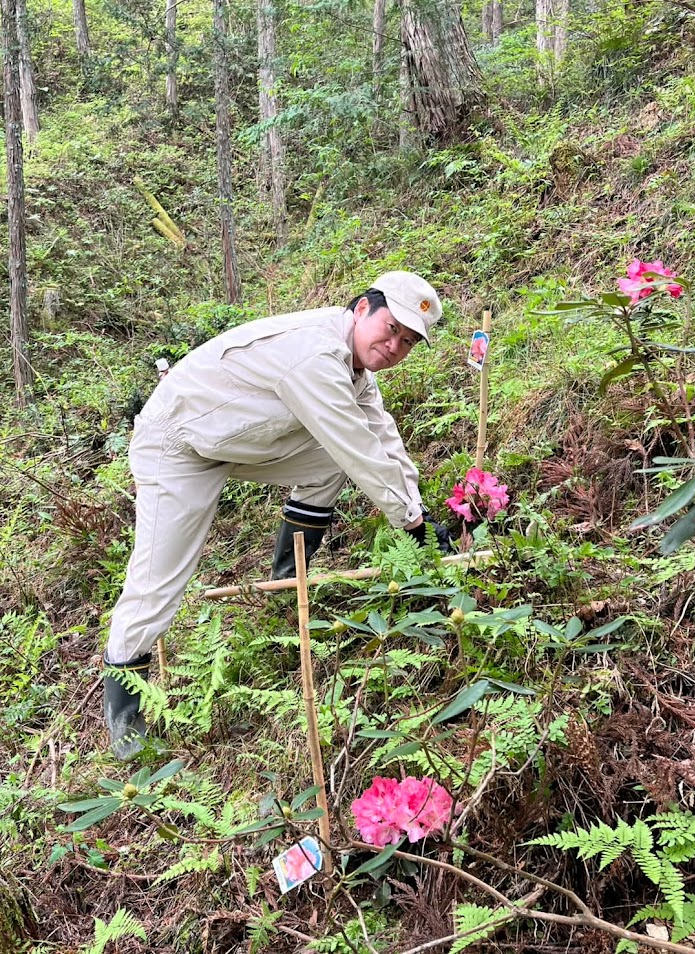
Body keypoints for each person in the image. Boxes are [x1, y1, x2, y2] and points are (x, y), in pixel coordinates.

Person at [104, 270, 452, 758]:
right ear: (361, 309)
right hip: (179, 444)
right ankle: (125, 719)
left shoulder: (357, 372)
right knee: (158, 579)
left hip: (240, 440)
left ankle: (286, 584)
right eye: (391, 328)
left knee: (332, 461)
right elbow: (357, 445)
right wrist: (410, 524)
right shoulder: (315, 355)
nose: (395, 345)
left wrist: (418, 510)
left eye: (408, 341)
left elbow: (383, 438)